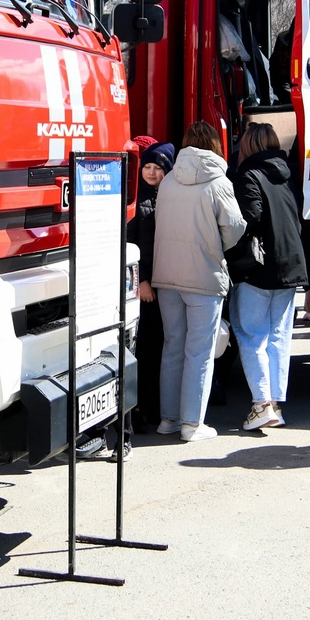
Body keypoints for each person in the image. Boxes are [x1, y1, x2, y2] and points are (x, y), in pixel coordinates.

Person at [151, 120, 246, 441]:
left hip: (166, 275)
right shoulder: (219, 182)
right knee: (199, 353)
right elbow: (234, 228)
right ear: (215, 146)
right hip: (204, 276)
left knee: (172, 347)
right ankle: (193, 424)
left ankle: (169, 420)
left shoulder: (168, 182)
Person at [229, 123, 308, 431]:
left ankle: (261, 404)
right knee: (279, 337)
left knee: (251, 335)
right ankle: (275, 404)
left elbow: (251, 218)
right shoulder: (287, 175)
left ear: (248, 146)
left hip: (258, 268)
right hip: (290, 266)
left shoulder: (248, 174)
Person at [129, 139, 175, 432]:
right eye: (147, 166)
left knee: (159, 348)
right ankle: (141, 408)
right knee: (144, 348)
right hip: (145, 287)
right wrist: (143, 279)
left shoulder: (168, 197)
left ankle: (155, 407)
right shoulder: (137, 199)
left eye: (157, 167)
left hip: (165, 283)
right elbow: (136, 244)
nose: (151, 172)